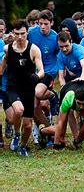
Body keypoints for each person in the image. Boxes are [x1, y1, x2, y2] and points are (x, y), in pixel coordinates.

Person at [0, 19, 44, 157]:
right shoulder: (8, 49)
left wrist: (37, 77)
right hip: (13, 87)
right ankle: (16, 134)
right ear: (13, 32)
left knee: (28, 125)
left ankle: (23, 146)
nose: (20, 37)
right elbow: (4, 63)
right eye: (17, 33)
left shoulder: (34, 49)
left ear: (27, 33)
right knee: (18, 110)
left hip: (28, 89)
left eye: (23, 34)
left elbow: (42, 70)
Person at [40, 81, 84, 151]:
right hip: (66, 91)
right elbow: (60, 123)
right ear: (75, 99)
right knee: (61, 132)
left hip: (80, 92)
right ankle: (42, 131)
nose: (81, 107)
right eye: (79, 103)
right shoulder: (68, 98)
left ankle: (77, 141)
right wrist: (55, 145)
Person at [28, 10, 60, 131]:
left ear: (51, 23)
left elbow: (60, 54)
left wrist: (60, 71)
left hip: (48, 71)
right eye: (40, 23)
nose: (42, 27)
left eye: (46, 24)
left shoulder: (55, 37)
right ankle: (47, 130)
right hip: (33, 71)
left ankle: (52, 95)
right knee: (36, 106)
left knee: (38, 93)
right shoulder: (32, 33)